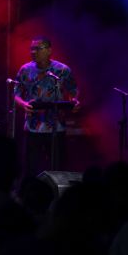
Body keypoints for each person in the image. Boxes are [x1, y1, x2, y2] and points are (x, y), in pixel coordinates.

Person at [13, 36, 79, 175]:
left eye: (38, 48)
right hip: (33, 127)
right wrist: (23, 104)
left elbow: (73, 91)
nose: (34, 52)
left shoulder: (62, 70)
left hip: (56, 126)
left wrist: (75, 101)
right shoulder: (25, 70)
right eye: (32, 49)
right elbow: (16, 94)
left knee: (58, 167)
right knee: (30, 168)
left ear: (49, 50)